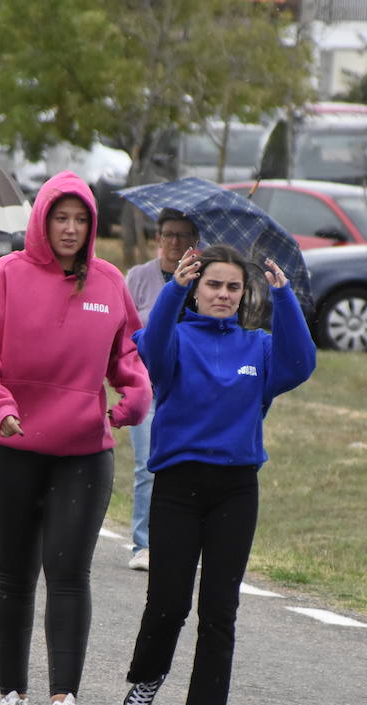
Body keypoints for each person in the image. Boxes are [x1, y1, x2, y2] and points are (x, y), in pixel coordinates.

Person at [0, 170, 150, 705]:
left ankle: (64, 701)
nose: (69, 229)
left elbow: (128, 357)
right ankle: (11, 700)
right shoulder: (5, 277)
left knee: (69, 575)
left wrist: (134, 394)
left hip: (82, 454)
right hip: (8, 448)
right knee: (14, 576)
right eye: (59, 218)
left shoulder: (109, 282)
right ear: (41, 220)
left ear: (93, 226)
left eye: (81, 220)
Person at [118, 243, 316, 705]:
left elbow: (301, 363)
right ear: (197, 289)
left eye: (233, 287)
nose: (224, 294)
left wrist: (284, 299)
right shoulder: (176, 340)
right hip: (177, 488)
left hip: (235, 489)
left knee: (219, 608)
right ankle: (148, 676)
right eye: (213, 285)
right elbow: (151, 345)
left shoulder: (260, 347)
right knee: (167, 602)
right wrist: (173, 290)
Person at [122, 208, 199, 572]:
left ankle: (180, 540)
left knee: (186, 468)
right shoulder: (137, 278)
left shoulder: (203, 281)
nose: (174, 243)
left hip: (186, 389)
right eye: (167, 235)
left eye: (183, 236)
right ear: (157, 238)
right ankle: (144, 543)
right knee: (148, 465)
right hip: (145, 386)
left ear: (195, 244)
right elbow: (122, 332)